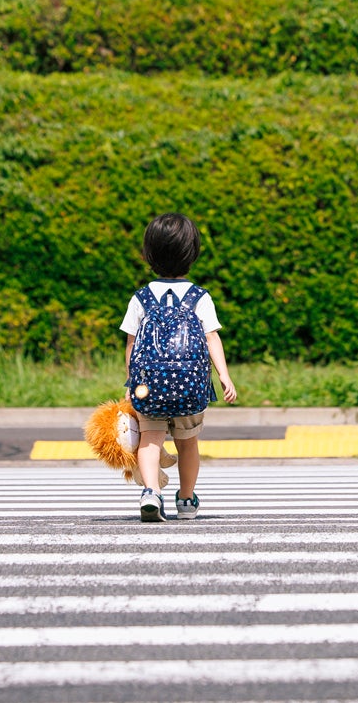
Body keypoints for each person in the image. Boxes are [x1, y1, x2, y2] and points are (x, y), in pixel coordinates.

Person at [121, 212, 237, 522]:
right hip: (191, 387)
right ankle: (186, 499)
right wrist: (224, 375)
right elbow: (211, 338)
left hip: (149, 388)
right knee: (188, 444)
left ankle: (151, 492)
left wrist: (131, 381)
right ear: (192, 253)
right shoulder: (200, 297)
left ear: (148, 254)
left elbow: (132, 344)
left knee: (150, 441)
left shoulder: (141, 298)